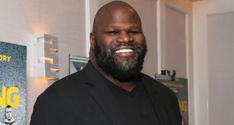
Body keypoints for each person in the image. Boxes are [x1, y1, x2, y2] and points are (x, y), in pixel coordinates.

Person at [30, 1, 182, 125]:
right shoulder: (56, 102)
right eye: (113, 32)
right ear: (93, 40)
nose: (125, 38)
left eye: (134, 32)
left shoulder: (166, 98)